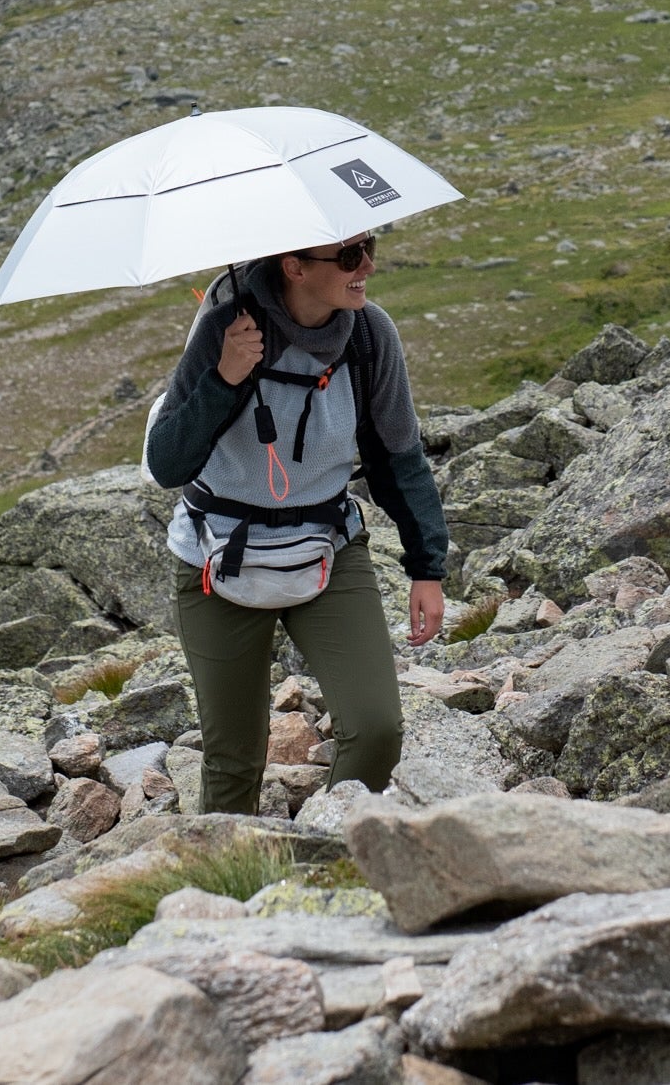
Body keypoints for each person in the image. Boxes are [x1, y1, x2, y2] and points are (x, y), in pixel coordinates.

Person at [144, 230, 449, 813]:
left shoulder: (369, 334)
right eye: (349, 256)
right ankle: (228, 887)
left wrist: (426, 567)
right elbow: (168, 463)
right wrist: (227, 375)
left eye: (370, 249)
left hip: (329, 549)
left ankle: (328, 856)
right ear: (295, 266)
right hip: (218, 556)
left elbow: (397, 460)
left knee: (377, 729)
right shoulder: (224, 327)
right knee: (233, 758)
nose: (368, 268)